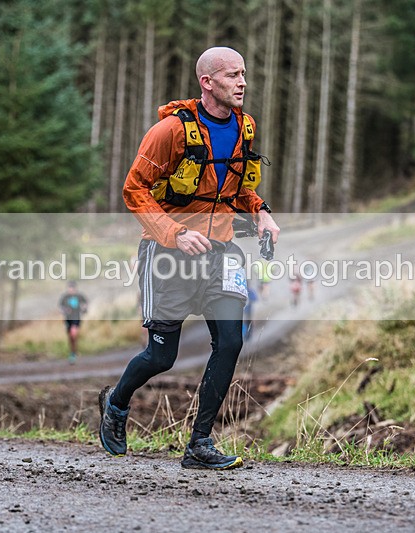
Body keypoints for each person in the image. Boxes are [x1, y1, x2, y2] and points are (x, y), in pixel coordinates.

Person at [98, 46, 280, 470]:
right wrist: (175, 233)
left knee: (231, 341)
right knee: (162, 357)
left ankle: (200, 443)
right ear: (207, 82)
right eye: (233, 75)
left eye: (244, 74)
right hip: (167, 253)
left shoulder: (245, 127)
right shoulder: (170, 131)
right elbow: (134, 189)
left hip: (220, 251)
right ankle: (116, 403)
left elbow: (238, 189)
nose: (242, 82)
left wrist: (262, 212)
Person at [58, 281, 87, 364]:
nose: (71, 290)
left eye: (72, 288)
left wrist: (83, 309)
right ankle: (73, 351)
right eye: (69, 288)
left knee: (73, 333)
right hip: (68, 319)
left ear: (75, 288)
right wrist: (65, 310)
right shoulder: (65, 297)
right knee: (70, 337)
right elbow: (60, 307)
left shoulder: (79, 296)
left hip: (76, 318)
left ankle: (74, 352)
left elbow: (85, 305)